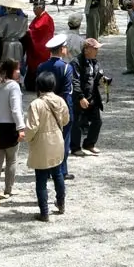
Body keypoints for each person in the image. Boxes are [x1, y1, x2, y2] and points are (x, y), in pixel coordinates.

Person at [25, 71, 70, 222]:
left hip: (41, 143)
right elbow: (65, 120)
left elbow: (32, 127)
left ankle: (44, 212)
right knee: (58, 173)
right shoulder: (60, 100)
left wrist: (27, 138)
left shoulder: (36, 104)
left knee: (41, 179)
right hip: (57, 140)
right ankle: (61, 204)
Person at [38, 34, 75, 180]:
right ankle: (61, 170)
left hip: (44, 107)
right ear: (61, 50)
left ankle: (46, 170)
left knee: (47, 140)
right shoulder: (66, 67)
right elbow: (67, 92)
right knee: (64, 141)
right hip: (61, 107)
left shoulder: (41, 66)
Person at [0, 58, 25, 199]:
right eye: (17, 69)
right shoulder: (13, 86)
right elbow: (16, 109)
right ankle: (9, 189)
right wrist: (21, 127)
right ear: (12, 70)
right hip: (11, 126)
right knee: (11, 160)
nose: (19, 72)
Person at [70, 38, 106, 156]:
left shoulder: (94, 62)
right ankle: (75, 148)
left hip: (92, 98)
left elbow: (94, 79)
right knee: (77, 123)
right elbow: (74, 81)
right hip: (80, 98)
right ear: (86, 49)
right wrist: (80, 97)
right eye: (94, 48)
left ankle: (89, 144)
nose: (97, 51)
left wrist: (103, 80)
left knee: (97, 121)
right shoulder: (76, 63)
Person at [25, 1, 55, 89]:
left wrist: (29, 32)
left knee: (40, 67)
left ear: (40, 8)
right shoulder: (38, 17)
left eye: (35, 8)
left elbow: (38, 32)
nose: (34, 10)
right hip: (34, 47)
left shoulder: (46, 19)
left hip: (42, 48)